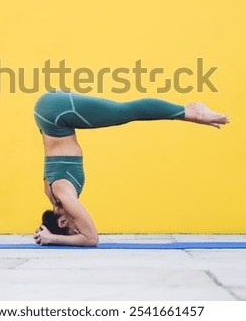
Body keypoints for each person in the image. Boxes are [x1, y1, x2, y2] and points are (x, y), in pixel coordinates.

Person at [33, 90, 229, 246]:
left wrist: (53, 238)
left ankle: (192, 111)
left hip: (56, 113)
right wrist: (47, 231)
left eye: (73, 230)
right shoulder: (53, 193)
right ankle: (189, 111)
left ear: (62, 222)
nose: (78, 230)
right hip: (53, 117)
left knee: (124, 112)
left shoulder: (63, 194)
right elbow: (70, 226)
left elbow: (91, 238)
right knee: (122, 112)